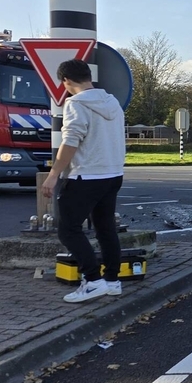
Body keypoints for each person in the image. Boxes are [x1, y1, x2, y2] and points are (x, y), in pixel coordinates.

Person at [40, 59, 126, 304]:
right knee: (106, 228)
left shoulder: (75, 103)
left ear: (66, 81)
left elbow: (71, 141)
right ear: (89, 76)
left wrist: (54, 174)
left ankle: (93, 280)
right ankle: (112, 281)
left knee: (68, 230)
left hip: (85, 175)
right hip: (113, 174)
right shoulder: (113, 103)